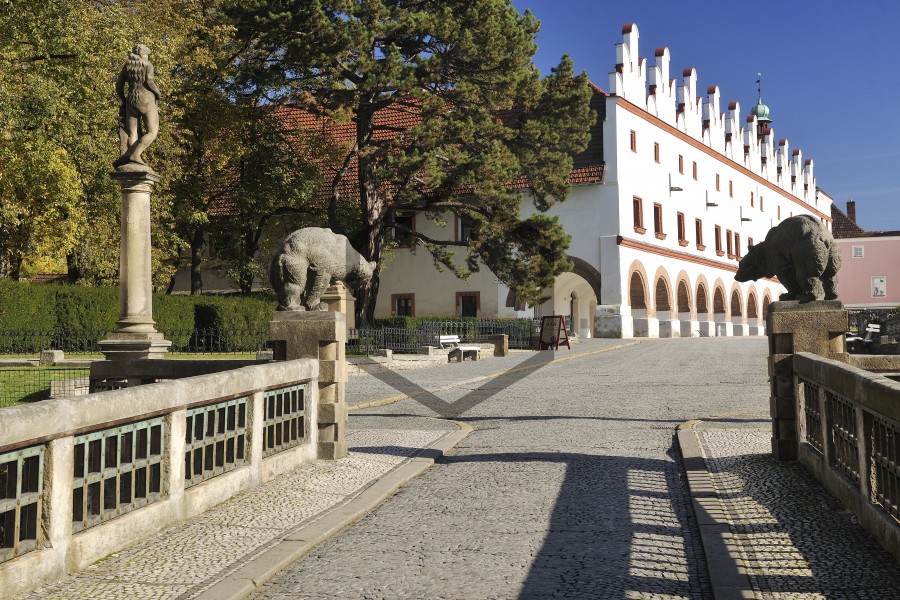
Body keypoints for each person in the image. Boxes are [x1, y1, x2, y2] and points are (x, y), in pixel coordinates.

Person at [114, 44, 160, 168]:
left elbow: (119, 86)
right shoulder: (147, 65)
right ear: (143, 55)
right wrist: (158, 94)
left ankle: (131, 159)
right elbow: (149, 82)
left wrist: (124, 99)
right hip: (146, 99)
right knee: (152, 132)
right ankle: (136, 154)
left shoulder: (127, 67)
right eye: (146, 55)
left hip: (131, 99)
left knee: (132, 132)